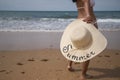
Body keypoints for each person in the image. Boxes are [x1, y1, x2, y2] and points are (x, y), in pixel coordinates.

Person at [67, 0, 98, 80]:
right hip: (88, 22)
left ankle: (69, 65)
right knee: (88, 47)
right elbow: (86, 2)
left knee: (77, 44)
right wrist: (88, 15)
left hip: (78, 21)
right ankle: (83, 75)